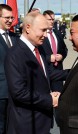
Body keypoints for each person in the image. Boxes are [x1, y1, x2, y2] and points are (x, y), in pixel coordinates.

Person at [4, 12, 68, 134]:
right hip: (26, 124)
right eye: (43, 30)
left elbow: (47, 73)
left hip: (41, 121)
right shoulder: (15, 54)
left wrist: (75, 72)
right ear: (28, 28)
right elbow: (19, 92)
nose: (45, 35)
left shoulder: (39, 48)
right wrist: (49, 99)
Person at [0, 4, 18, 134]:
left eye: (12, 17)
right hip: (1, 93)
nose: (10, 20)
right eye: (7, 17)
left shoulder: (15, 37)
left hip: (16, 91)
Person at [42, 10, 68, 93]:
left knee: (58, 99)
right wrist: (48, 58)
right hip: (45, 73)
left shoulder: (57, 33)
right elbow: (35, 53)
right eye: (49, 19)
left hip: (58, 72)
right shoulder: (40, 34)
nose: (51, 21)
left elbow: (65, 49)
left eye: (53, 19)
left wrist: (62, 56)